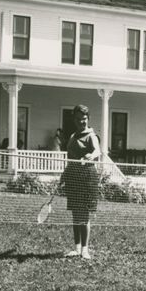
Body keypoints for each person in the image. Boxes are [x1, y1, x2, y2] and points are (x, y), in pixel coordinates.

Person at [61, 105, 101, 260]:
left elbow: (98, 151)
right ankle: (77, 248)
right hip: (73, 176)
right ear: (74, 120)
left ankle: (85, 249)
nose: (81, 122)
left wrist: (90, 156)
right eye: (78, 119)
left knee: (83, 214)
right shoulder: (72, 136)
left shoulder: (91, 136)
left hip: (87, 177)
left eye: (84, 119)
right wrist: (64, 175)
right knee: (75, 213)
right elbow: (70, 159)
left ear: (88, 119)